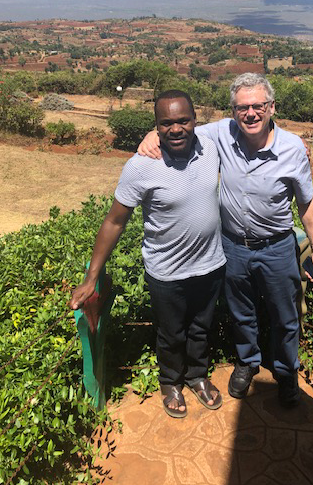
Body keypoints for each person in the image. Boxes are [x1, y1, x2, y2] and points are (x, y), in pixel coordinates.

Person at [138, 73, 313, 407]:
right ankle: (247, 363)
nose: (250, 114)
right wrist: (153, 133)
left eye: (258, 106)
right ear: (233, 111)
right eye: (242, 107)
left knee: (286, 316)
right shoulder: (222, 132)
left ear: (271, 108)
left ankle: (285, 373)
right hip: (233, 247)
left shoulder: (293, 148)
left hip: (278, 247)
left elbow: (306, 202)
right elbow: (179, 126)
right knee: (242, 313)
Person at [70, 90, 226, 418]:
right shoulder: (141, 166)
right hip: (167, 272)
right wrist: (91, 277)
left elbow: (249, 122)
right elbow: (114, 221)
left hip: (211, 265)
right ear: (156, 127)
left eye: (183, 120)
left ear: (196, 121)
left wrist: (296, 146)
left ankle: (197, 377)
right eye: (166, 123)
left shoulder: (210, 146)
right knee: (171, 333)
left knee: (201, 328)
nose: (176, 129)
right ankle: (171, 382)